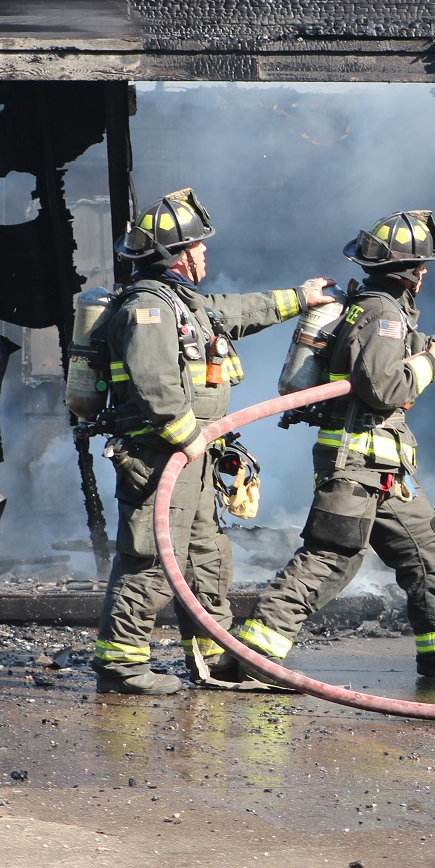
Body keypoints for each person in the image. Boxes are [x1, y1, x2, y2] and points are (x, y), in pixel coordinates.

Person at [235, 210, 435, 679]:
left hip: (384, 472)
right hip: (355, 468)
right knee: (330, 558)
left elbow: (410, 359)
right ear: (406, 271)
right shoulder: (382, 315)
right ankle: (252, 656)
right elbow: (384, 387)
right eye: (421, 265)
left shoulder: (379, 311)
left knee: (429, 546)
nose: (425, 273)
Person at [92, 188, 336, 695]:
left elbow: (236, 310)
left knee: (206, 557)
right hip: (162, 456)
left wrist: (301, 298)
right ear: (176, 253)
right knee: (151, 558)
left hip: (192, 457)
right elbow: (156, 386)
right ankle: (122, 665)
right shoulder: (148, 308)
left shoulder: (185, 304)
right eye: (198, 244)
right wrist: (189, 439)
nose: (205, 251)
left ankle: (214, 658)